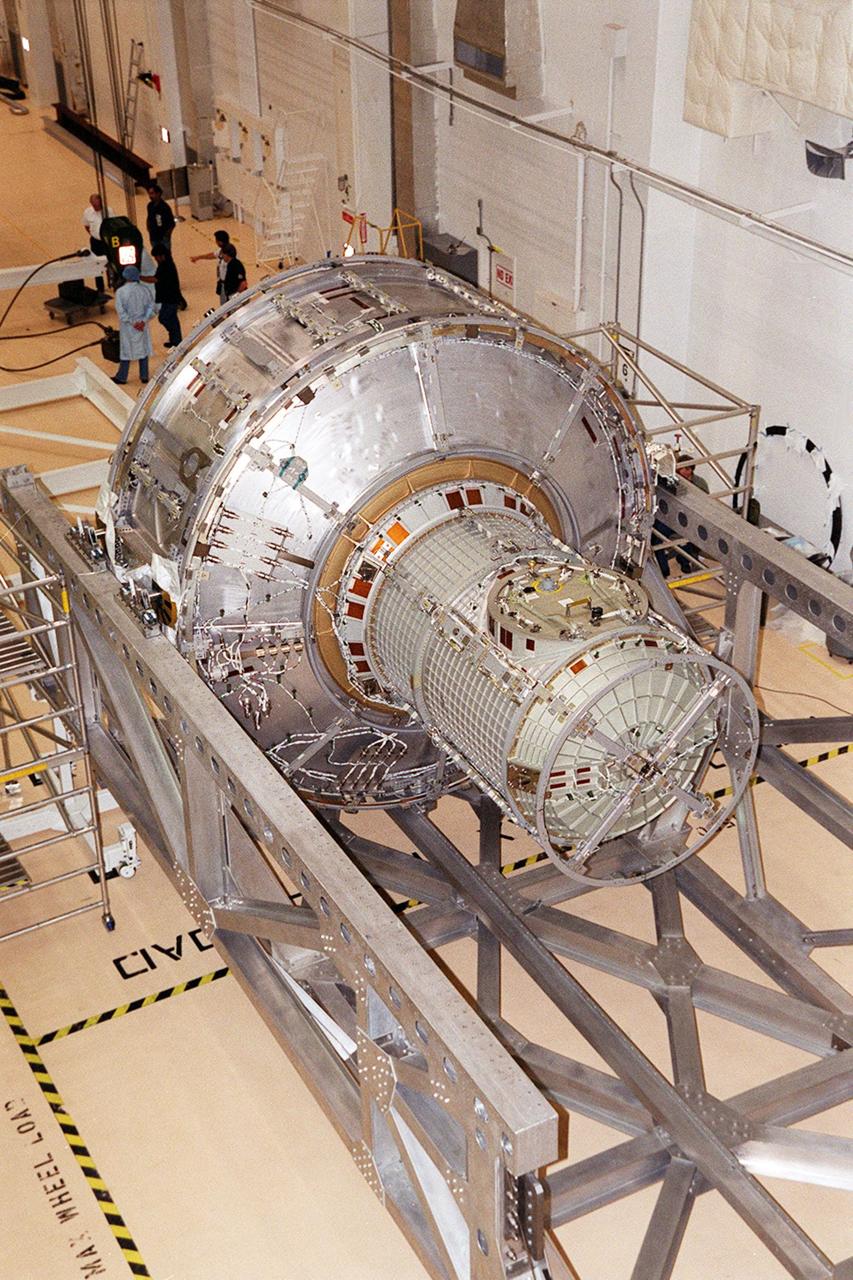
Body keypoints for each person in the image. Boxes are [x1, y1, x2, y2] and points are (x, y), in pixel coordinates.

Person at [653, 455, 710, 577]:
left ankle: (684, 561)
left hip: (689, 519)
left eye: (684, 469)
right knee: (655, 537)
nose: (681, 472)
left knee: (689, 536)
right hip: (669, 518)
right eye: (679, 469)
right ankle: (664, 570)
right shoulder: (671, 479)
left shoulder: (699, 484)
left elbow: (703, 507)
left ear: (690, 470)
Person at [111, 265, 156, 386]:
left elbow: (121, 311)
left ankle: (122, 376)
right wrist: (143, 321)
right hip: (142, 325)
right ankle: (144, 376)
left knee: (126, 352)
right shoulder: (144, 290)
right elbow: (151, 307)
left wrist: (132, 322)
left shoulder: (121, 292)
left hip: (128, 326)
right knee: (143, 350)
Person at [151, 242, 183, 348]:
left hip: (170, 298)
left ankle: (176, 339)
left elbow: (156, 279)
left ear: (161, 256)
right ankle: (176, 339)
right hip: (169, 297)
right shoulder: (166, 264)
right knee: (172, 318)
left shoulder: (166, 266)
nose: (156, 259)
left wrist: (139, 277)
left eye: (156, 257)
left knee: (164, 318)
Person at [81, 192, 113, 294]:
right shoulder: (88, 212)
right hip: (95, 242)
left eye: (96, 204)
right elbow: (86, 226)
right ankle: (100, 288)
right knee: (96, 263)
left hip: (106, 241)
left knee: (110, 262)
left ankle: (112, 282)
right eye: (92, 204)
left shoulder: (108, 211)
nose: (94, 207)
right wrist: (94, 235)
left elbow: (114, 224)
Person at [191, 229, 232, 304]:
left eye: (216, 240)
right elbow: (212, 255)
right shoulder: (221, 250)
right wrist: (198, 257)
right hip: (222, 283)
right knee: (224, 304)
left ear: (220, 242)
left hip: (230, 284)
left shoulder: (230, 254)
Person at [145, 183, 176, 250]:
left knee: (166, 257)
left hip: (163, 238)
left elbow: (172, 223)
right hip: (153, 237)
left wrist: (166, 236)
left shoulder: (165, 207)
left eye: (152, 193)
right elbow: (149, 218)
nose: (150, 196)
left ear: (158, 193)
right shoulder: (149, 206)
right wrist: (149, 228)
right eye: (149, 194)